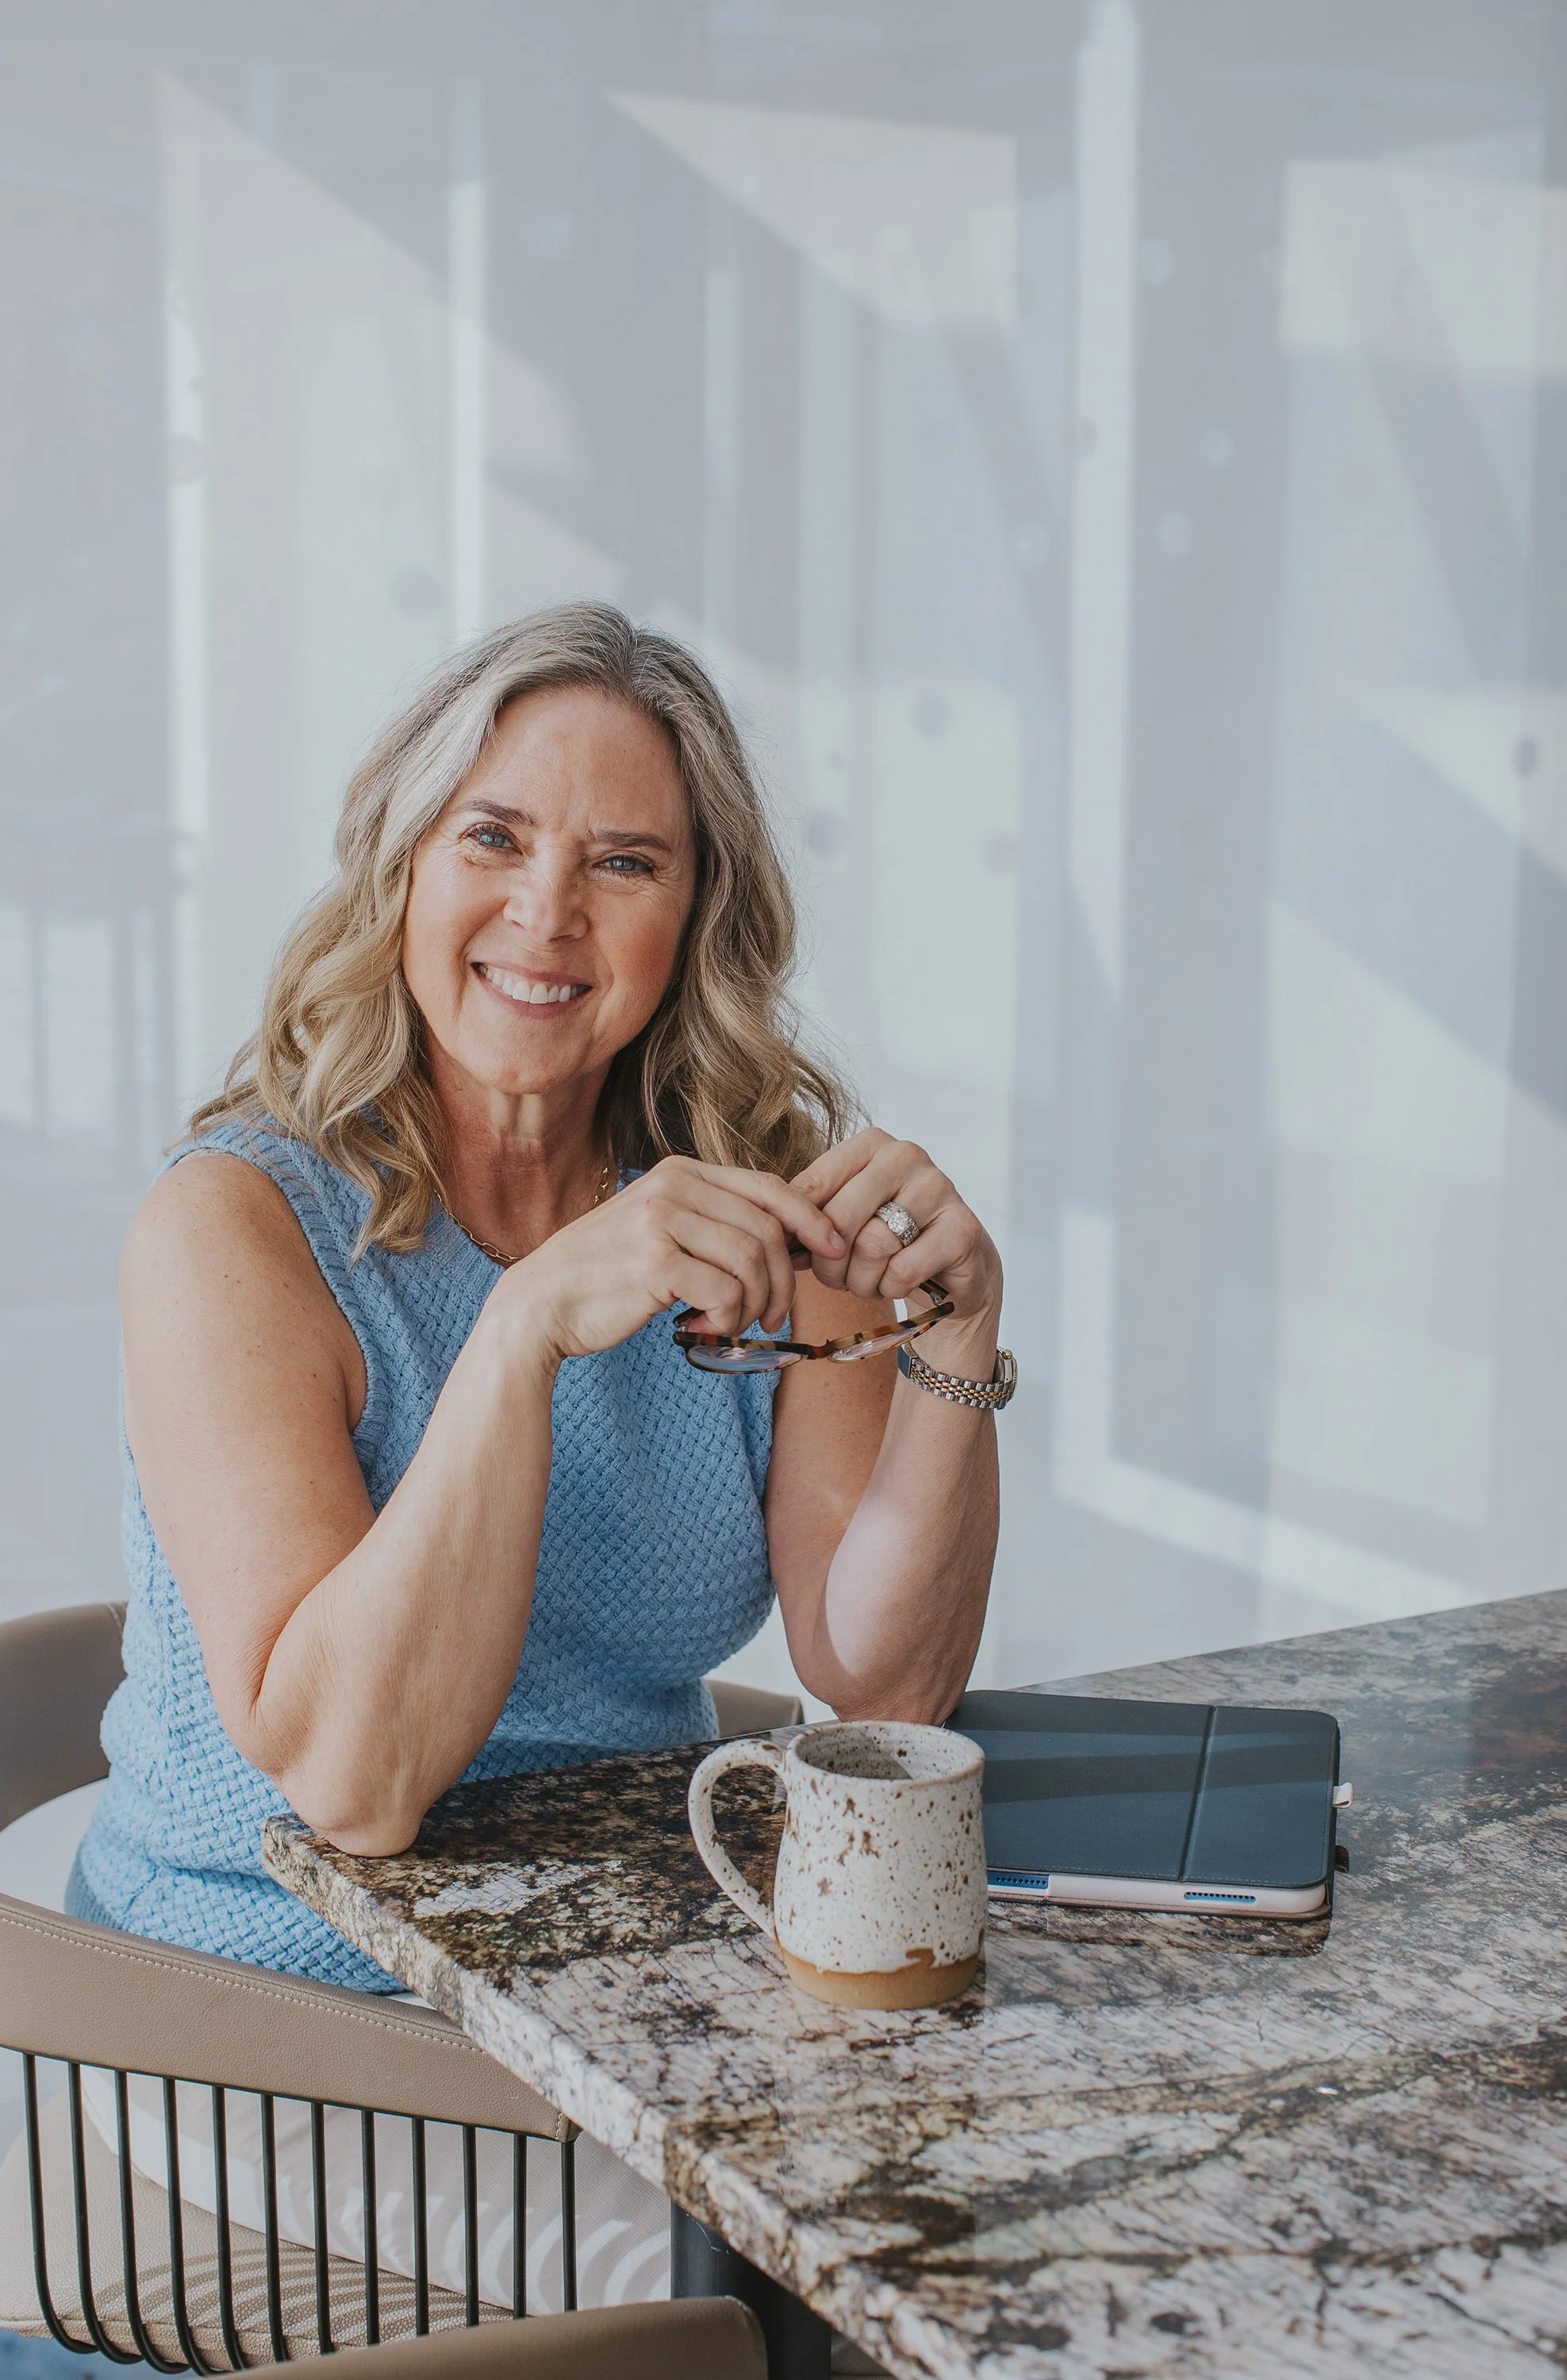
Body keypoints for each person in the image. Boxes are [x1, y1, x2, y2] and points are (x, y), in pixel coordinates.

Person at [67, 601, 1012, 2310]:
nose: (546, 913)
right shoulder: (234, 1228)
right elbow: (351, 1785)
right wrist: (520, 1333)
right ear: (404, 870)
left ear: (692, 920)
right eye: (491, 836)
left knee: (986, 2195)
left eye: (625, 862)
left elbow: (884, 1674)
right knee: (831, 2287)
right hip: (262, 2015)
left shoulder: (741, 1205)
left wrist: (949, 1334)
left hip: (612, 2006)